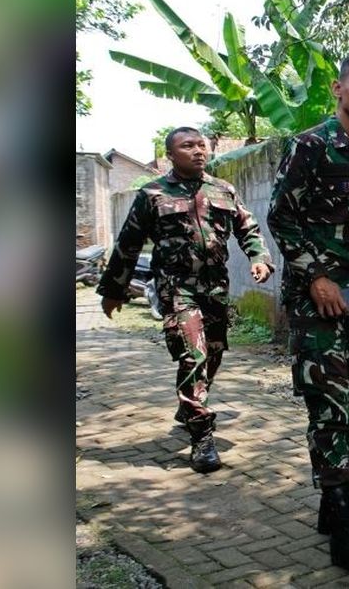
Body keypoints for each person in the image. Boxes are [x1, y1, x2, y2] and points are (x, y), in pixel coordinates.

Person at [266, 53, 349, 571]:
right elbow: (280, 217)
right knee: (329, 403)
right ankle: (344, 525)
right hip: (317, 302)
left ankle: (335, 503)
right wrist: (316, 276)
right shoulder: (310, 146)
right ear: (339, 89)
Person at [97, 127, 274, 474]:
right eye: (187, 146)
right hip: (176, 287)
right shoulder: (152, 194)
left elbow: (248, 229)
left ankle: (189, 403)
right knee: (193, 355)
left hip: (216, 288)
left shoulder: (223, 190)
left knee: (215, 351)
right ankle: (202, 436)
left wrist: (259, 258)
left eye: (201, 145)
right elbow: (128, 243)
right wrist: (114, 291)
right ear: (170, 155)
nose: (198, 151)